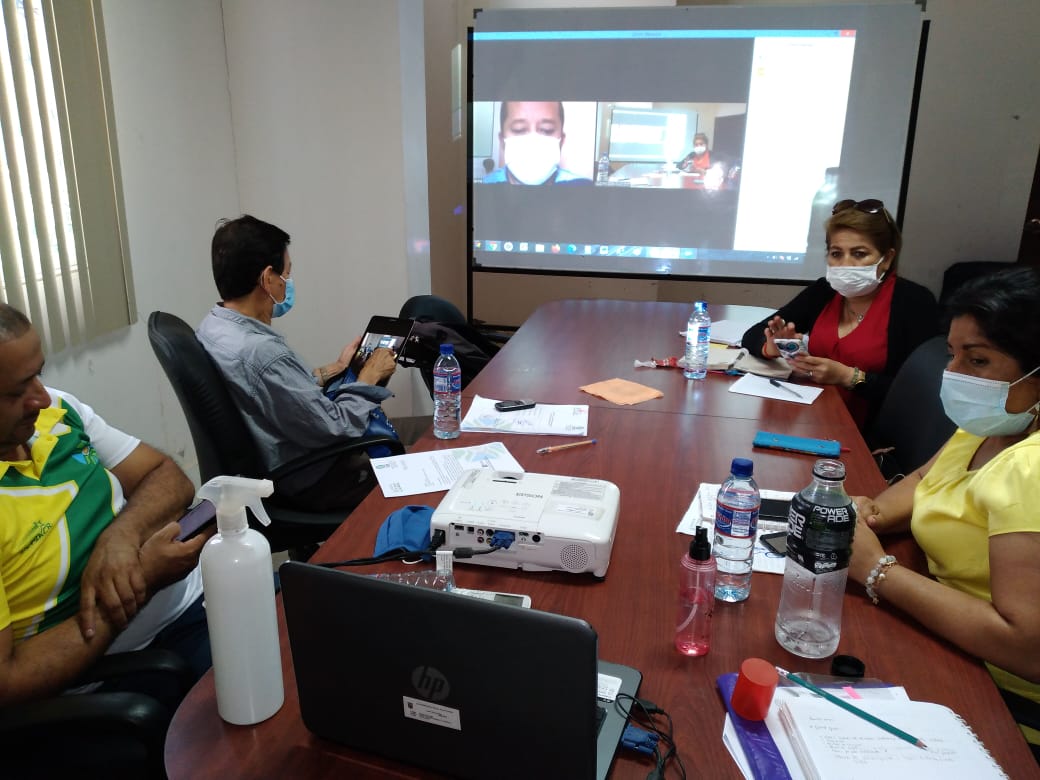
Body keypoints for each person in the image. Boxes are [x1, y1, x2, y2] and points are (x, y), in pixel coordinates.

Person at [848, 266, 1040, 761]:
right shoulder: (994, 423)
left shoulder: (1031, 467)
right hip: (944, 633)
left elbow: (1026, 647)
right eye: (952, 354)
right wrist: (870, 513)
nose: (953, 373)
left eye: (977, 359)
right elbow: (924, 480)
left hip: (999, 700)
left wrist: (875, 569)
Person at [0, 303, 210, 710]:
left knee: (324, 614)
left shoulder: (57, 411)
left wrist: (121, 536)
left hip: (196, 597)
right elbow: (7, 682)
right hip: (120, 672)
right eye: (16, 391)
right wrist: (145, 578)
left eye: (39, 374)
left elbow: (168, 476)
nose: (40, 398)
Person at [197, 215, 398, 512]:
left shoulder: (214, 326)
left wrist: (335, 368)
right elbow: (338, 426)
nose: (288, 283)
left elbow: (270, 392)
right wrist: (369, 376)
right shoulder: (261, 352)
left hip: (271, 466)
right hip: (311, 480)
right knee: (410, 466)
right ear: (268, 279)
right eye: (286, 274)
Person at [741, 198, 939, 429]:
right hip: (810, 418)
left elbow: (921, 394)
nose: (846, 264)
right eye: (836, 254)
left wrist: (850, 377)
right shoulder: (824, 291)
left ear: (887, 259)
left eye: (859, 254)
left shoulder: (913, 301)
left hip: (871, 435)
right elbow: (753, 334)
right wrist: (771, 347)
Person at [481, 101, 592, 185]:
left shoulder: (583, 187)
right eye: (519, 129)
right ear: (502, 141)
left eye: (546, 130)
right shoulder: (486, 185)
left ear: (561, 141)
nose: (532, 144)